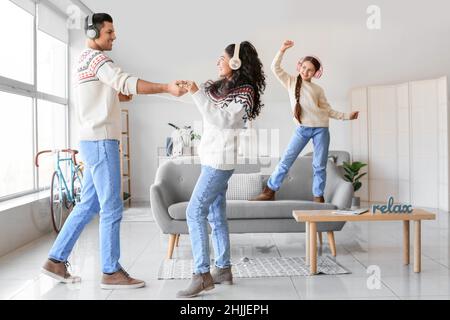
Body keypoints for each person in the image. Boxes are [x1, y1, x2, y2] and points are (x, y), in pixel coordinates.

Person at [41, 13, 187, 289]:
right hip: (102, 141)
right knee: (111, 207)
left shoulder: (83, 60)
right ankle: (110, 271)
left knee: (88, 204)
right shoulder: (98, 60)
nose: (114, 37)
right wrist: (167, 87)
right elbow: (126, 82)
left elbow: (100, 91)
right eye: (109, 32)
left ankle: (55, 260)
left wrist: (116, 95)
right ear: (94, 33)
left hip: (90, 140)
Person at [175, 41, 266, 298]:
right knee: (215, 215)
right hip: (212, 159)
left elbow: (221, 120)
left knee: (194, 212)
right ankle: (223, 268)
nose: (218, 62)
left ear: (235, 63)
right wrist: (179, 89)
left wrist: (195, 93)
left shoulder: (245, 91)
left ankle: (202, 274)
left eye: (222, 58)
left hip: (220, 162)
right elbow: (202, 104)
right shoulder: (217, 87)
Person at [252, 40, 359, 202]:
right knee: (286, 160)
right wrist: (282, 50)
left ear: (316, 73)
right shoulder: (291, 82)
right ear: (299, 66)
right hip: (302, 129)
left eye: (310, 70)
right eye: (304, 68)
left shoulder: (318, 89)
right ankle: (269, 191)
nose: (306, 71)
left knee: (319, 165)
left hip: (321, 129)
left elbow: (327, 110)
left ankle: (318, 197)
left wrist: (346, 116)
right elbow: (275, 68)